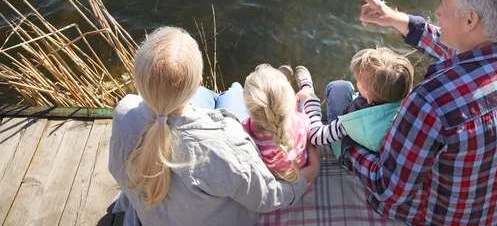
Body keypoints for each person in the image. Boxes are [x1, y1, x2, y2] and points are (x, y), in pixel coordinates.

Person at [338, 0, 497, 226]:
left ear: (470, 20)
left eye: (444, 6)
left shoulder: (432, 101)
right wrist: (396, 19)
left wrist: (346, 146)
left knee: (343, 115)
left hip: (446, 219)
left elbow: (388, 189)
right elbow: (460, 49)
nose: (437, 13)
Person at [108, 27, 321, 226]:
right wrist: (308, 175)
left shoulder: (124, 112)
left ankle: (232, 91)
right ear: (199, 81)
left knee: (226, 96)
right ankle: (248, 86)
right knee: (235, 91)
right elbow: (268, 198)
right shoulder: (225, 143)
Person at [297, 47, 414, 158]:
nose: (356, 83)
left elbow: (316, 136)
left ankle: (307, 86)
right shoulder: (409, 103)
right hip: (372, 134)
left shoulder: (352, 122)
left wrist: (311, 100)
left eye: (359, 82)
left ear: (368, 98)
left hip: (348, 148)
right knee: (344, 87)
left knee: (338, 87)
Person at [241, 64, 312, 183]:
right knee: (304, 99)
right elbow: (304, 121)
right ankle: (304, 86)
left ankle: (280, 81)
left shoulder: (243, 132)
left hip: (273, 183)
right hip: (300, 180)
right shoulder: (301, 122)